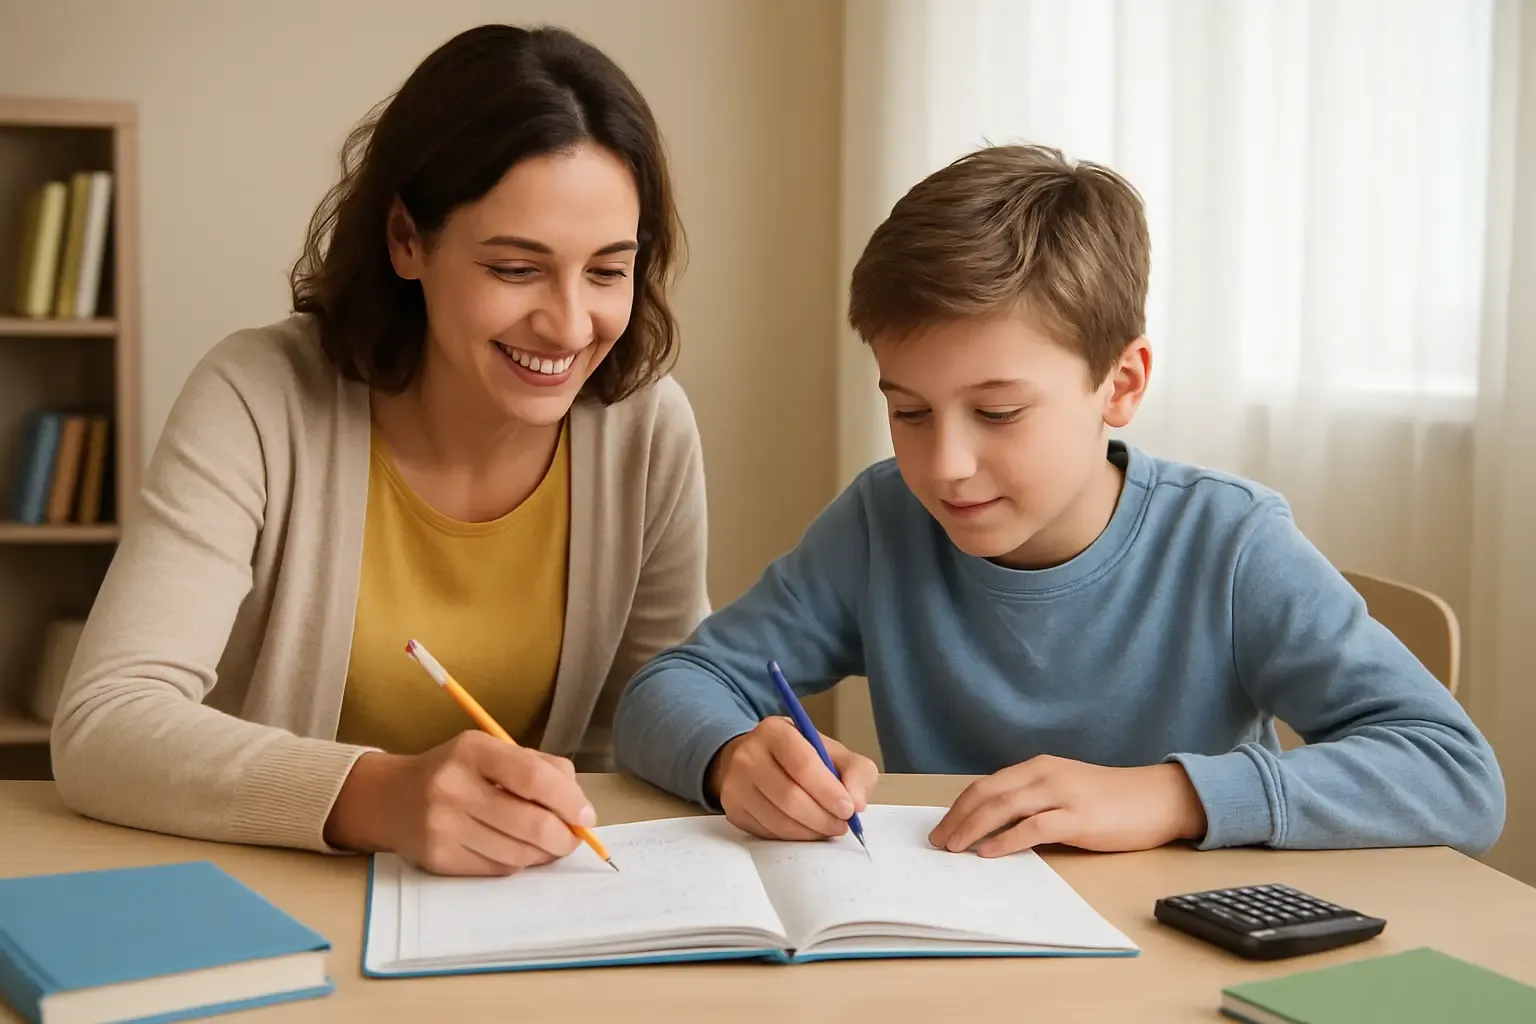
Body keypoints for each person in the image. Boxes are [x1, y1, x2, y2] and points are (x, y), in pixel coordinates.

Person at [612, 143, 1505, 859]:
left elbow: (1457, 776)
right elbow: (669, 688)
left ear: (1121, 384)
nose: (946, 466)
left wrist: (1170, 796)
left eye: (999, 412)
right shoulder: (883, 524)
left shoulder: (1230, 544)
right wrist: (732, 756)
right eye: (909, 411)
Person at [51, 24, 710, 878]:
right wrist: (383, 798)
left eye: (608, 271)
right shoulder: (258, 397)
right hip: (271, 893)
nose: (569, 324)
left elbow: (661, 703)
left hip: (534, 901)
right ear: (407, 239)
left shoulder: (646, 429)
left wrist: (731, 747)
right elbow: (106, 722)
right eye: (516, 269)